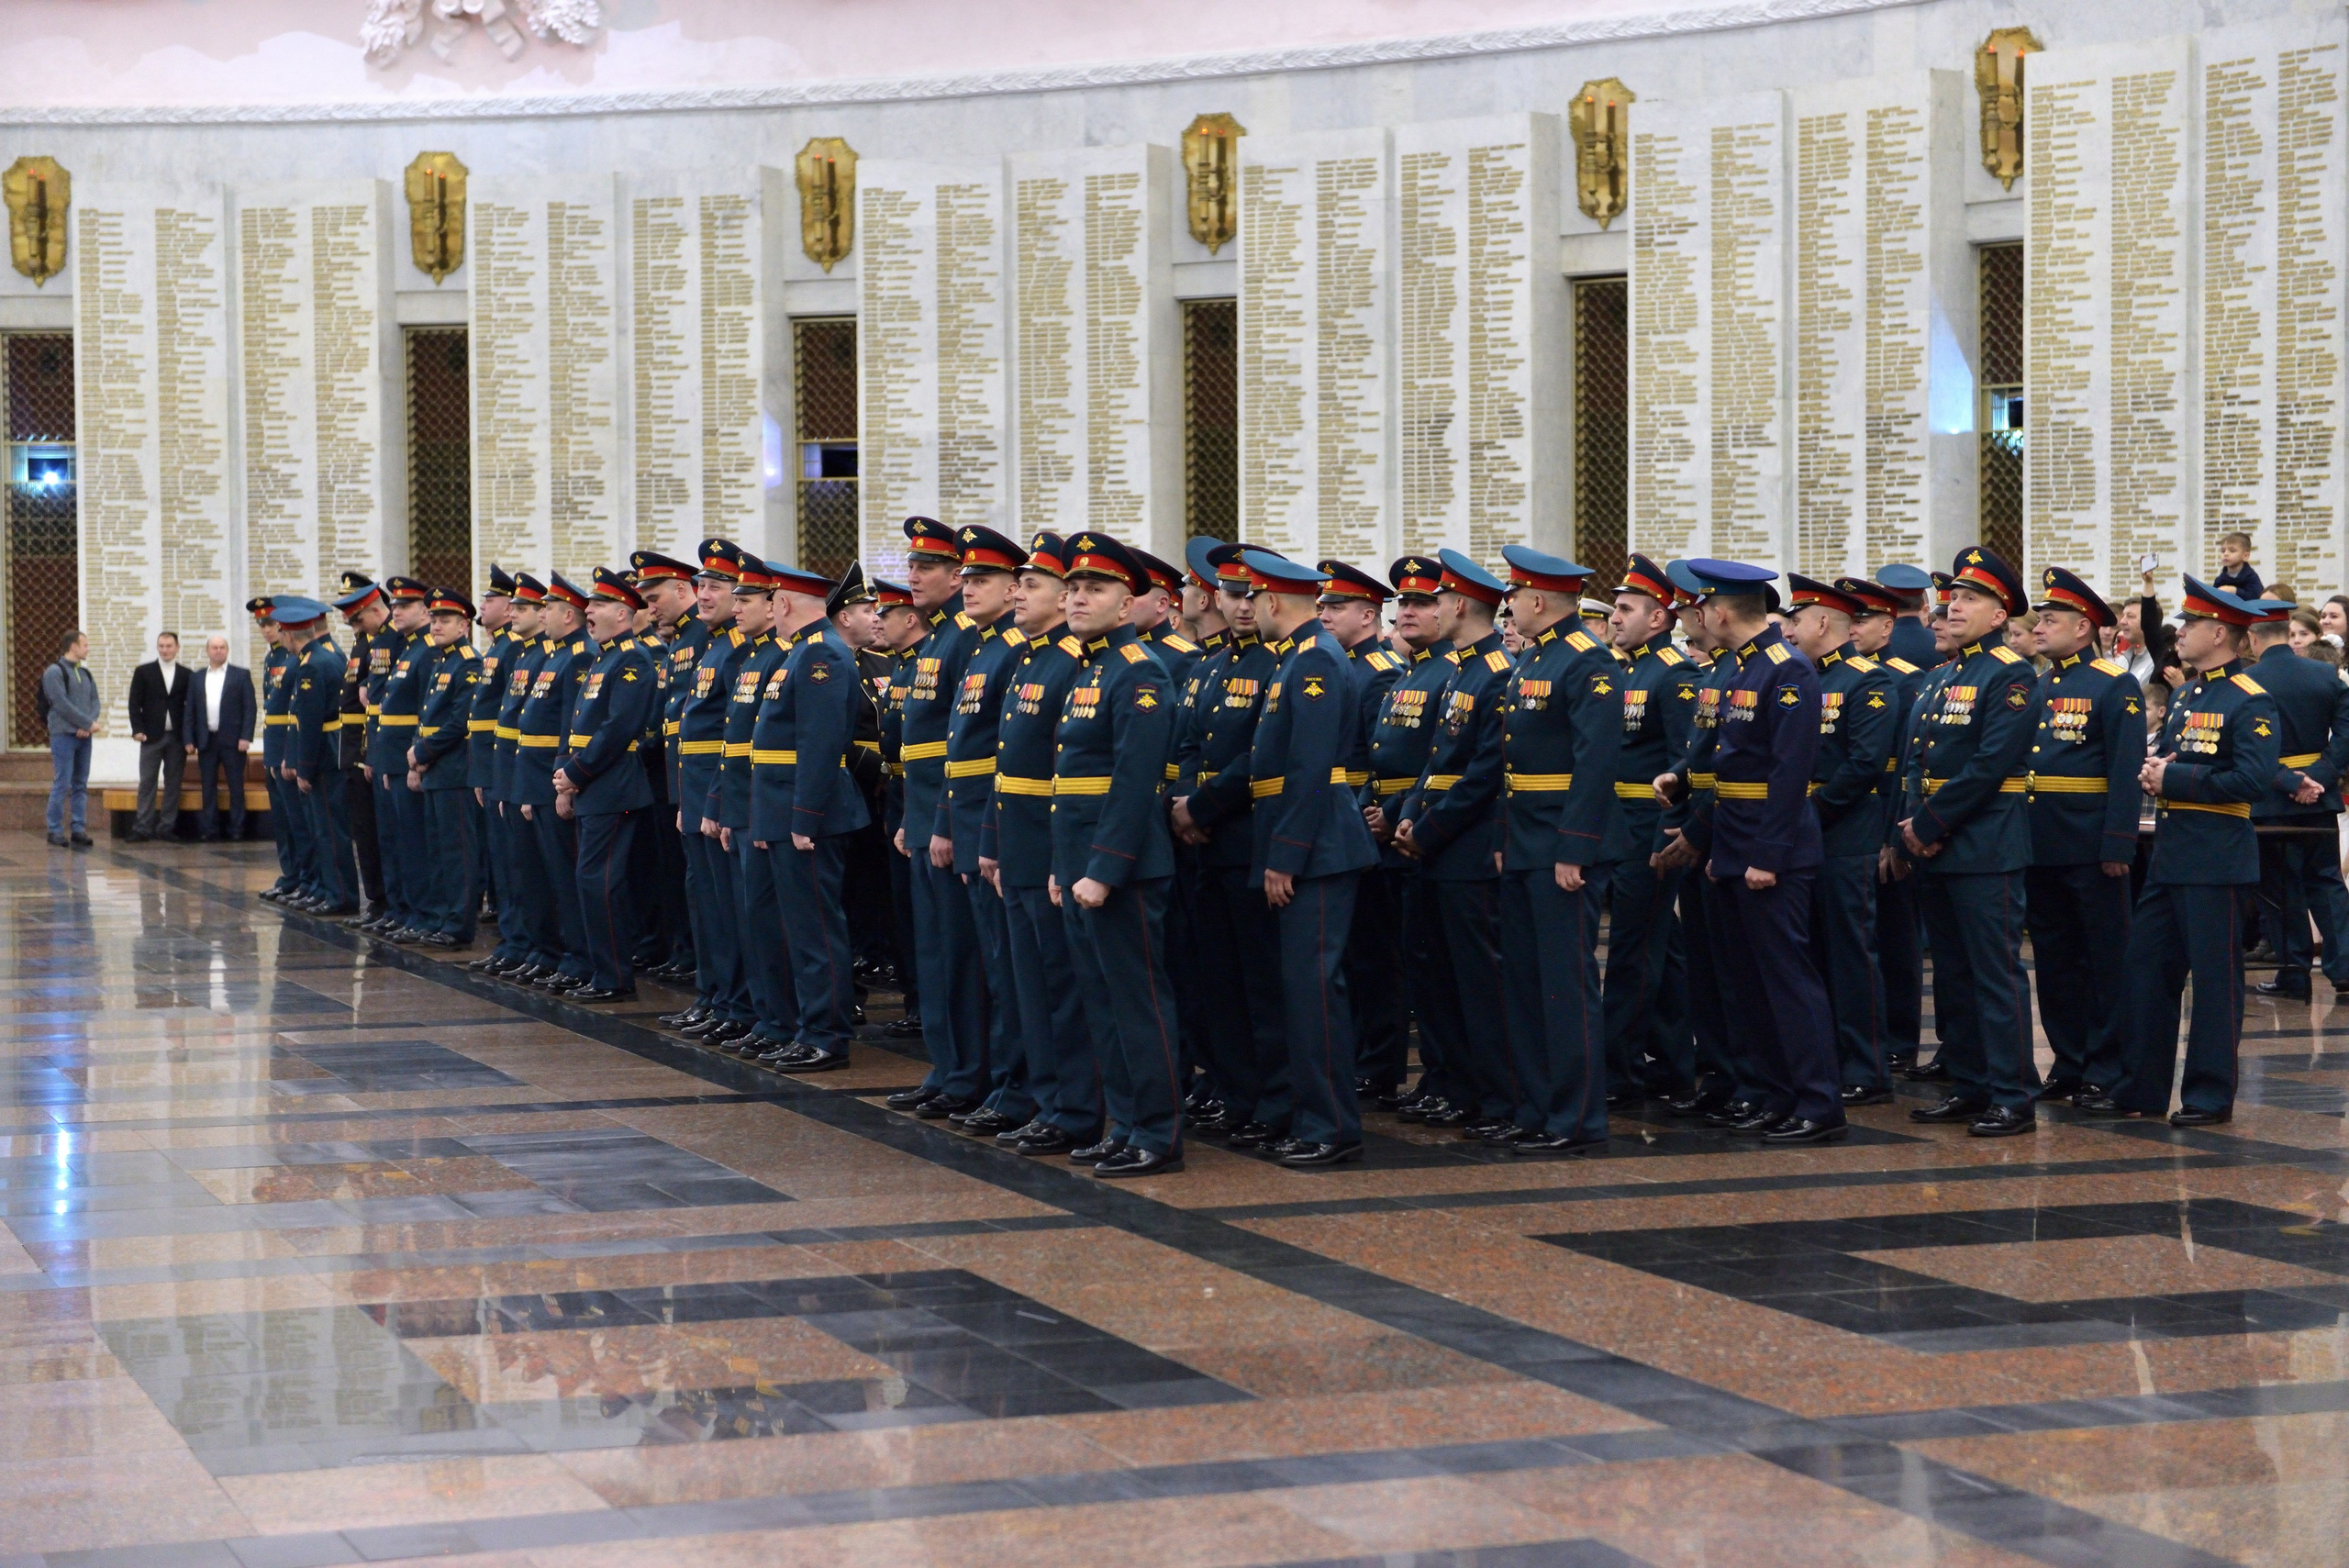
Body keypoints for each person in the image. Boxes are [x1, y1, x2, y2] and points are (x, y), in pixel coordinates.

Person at [2087, 578, 2278, 1126]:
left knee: (2216, 984)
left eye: (2190, 625)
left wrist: (2176, 776)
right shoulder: (2189, 693)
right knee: (2146, 973)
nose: (2182, 633)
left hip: (2217, 858)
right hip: (2171, 854)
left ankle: (2208, 1094)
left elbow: (2253, 778)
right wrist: (2157, 772)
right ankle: (2140, 1087)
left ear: (2219, 633)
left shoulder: (2251, 699)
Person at [1240, 548, 1380, 1168]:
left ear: (1273, 601)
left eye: (1252, 598)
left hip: (1317, 850)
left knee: (1315, 990)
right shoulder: (1300, 659)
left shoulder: (1315, 660)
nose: (1244, 609)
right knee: (1299, 990)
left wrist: (1286, 856)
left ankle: (1331, 1125)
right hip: (1305, 844)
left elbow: (1310, 768)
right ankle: (1309, 1115)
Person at [1050, 533, 1185, 1178]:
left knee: (1137, 1002)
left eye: (1095, 588)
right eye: (1072, 588)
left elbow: (1133, 784)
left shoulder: (1140, 670)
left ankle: (1157, 1132)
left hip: (1121, 866)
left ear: (1128, 602)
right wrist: (1063, 865)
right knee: (1102, 1002)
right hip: (1081, 861)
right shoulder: (1092, 665)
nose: (1078, 597)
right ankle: (1123, 1123)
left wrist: (1101, 870)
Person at [1899, 547, 2041, 1137]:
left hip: (1983, 843)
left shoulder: (2009, 672)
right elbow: (1916, 760)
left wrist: (1927, 826)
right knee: (1953, 974)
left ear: (2000, 612)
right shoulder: (1946, 675)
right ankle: (1969, 1081)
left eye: (1970, 599)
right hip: (1935, 842)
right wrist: (1907, 829)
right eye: (1953, 598)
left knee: (1993, 973)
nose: (1954, 607)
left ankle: (2013, 1092)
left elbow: (1989, 765)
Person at [1496, 546, 1625, 1154]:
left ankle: (1576, 1117)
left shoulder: (1587, 660)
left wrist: (1575, 847)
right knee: (1524, 982)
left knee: (1565, 985)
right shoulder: (1535, 658)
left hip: (1564, 847)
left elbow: (1594, 761)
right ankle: (1536, 1106)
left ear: (1539, 600)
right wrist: (1505, 840)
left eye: (1515, 596)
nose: (1509, 605)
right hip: (1525, 841)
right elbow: (1515, 761)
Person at [1391, 550, 1512, 1135]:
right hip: (1436, 841)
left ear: (1458, 604)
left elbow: (1486, 773)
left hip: (1467, 845)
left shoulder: (1495, 671)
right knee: (1435, 976)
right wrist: (1412, 814)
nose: (1425, 609)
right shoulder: (1463, 669)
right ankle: (1449, 1081)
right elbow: (1434, 762)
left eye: (1434, 598)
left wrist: (1429, 829)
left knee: (1478, 982)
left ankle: (1491, 1092)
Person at [1168, 542, 1285, 1144]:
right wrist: (1185, 804)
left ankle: (1272, 1098)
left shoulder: (1277, 665)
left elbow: (1258, 756)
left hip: (1248, 836)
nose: (1240, 605)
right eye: (1231, 594)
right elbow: (1190, 744)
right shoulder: (1209, 667)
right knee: (1218, 981)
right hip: (1204, 841)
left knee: (1260, 981)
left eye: (1249, 595)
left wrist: (1202, 806)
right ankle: (1239, 1093)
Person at [2018, 567, 2148, 1104]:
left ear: (2083, 628)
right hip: (2038, 841)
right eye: (2040, 618)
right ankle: (2068, 1062)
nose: (2040, 627)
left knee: (2103, 959)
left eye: (2052, 619)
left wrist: (2118, 842)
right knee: (2054, 959)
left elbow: (2125, 768)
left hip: (2091, 842)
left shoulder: (2113, 684)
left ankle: (2106, 1065)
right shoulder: (2038, 682)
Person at [986, 533, 1097, 1152]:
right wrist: (994, 842)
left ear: (1062, 597)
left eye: (1029, 584)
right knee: (1031, 986)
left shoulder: (1073, 661)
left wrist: (1057, 858)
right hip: (1020, 846)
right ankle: (1048, 1098)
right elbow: (1004, 763)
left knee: (1062, 990)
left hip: (1050, 848)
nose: (1015, 593)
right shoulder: (1030, 658)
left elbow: (1065, 776)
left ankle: (1075, 1107)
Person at [888, 517, 993, 1118]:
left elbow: (965, 746)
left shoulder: (968, 641)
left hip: (951, 820)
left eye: (926, 568)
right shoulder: (938, 641)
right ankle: (948, 1065)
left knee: (960, 958)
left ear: (956, 578)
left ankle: (969, 1073)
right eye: (913, 566)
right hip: (926, 813)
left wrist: (946, 819)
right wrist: (915, 815)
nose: (913, 577)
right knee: (934, 953)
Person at [932, 526, 1034, 1130]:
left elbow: (1006, 753)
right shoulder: (980, 646)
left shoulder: (1014, 648)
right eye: (965, 578)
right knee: (987, 967)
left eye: (983, 580)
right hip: (972, 819)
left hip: (997, 823)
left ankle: (1014, 1087)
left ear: (1013, 586)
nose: (969, 588)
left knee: (1007, 971)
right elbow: (958, 746)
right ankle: (998, 1083)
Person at [1785, 575, 1898, 1106]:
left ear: (1824, 623)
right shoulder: (1803, 676)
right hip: (1802, 831)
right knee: (1809, 953)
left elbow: (1862, 766)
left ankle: (1866, 1067)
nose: (1789, 629)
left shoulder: (1867, 682)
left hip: (1842, 833)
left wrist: (1808, 812)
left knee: (1850, 955)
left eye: (1797, 619)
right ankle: (1823, 1059)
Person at [751, 561, 868, 1068]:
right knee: (798, 929)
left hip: (809, 816)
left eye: (772, 600)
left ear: (782, 603)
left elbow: (819, 745)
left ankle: (827, 1034)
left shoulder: (820, 654)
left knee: (817, 930)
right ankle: (809, 1025)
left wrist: (802, 818)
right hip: (782, 811)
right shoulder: (801, 652)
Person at [1362, 556, 1462, 1115]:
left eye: (1423, 602)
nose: (1410, 612)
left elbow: (1439, 760)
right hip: (1392, 826)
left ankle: (1447, 1081)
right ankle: (1431, 1081)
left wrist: (1399, 813)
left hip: (1422, 829)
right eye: (1405, 603)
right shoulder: (1411, 669)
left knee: (1431, 969)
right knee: (1407, 963)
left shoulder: (1450, 671)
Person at [1601, 553, 1698, 1102]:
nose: (1614, 618)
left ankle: (1618, 1072)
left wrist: (1675, 833)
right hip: (1619, 826)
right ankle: (1672, 1068)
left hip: (1649, 829)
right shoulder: (1624, 668)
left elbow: (1686, 760)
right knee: (1663, 950)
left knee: (1633, 952)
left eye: (1624, 609)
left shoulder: (1674, 673)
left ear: (1657, 619)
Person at [1317, 559, 1408, 1104]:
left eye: (1335, 606)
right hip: (1342, 815)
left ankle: (1380, 1063)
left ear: (1369, 614)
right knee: (1352, 954)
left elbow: (1376, 757)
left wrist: (1370, 810)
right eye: (1322, 604)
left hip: (1359, 821)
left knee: (1376, 955)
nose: (1324, 613)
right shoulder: (1339, 663)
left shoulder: (1377, 671)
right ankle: (1358, 1054)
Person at [552, 568, 659, 1001]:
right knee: (589, 879)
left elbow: (619, 729)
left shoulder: (632, 659)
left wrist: (575, 775)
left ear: (622, 613)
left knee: (601, 881)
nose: (587, 612)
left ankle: (614, 976)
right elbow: (577, 725)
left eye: (595, 606)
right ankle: (602, 971)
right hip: (590, 786)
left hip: (612, 787)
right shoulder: (604, 657)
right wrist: (565, 778)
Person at [666, 540, 756, 1043]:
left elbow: (730, 733)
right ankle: (715, 995)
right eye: (701, 585)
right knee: (705, 902)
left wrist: (714, 802)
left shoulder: (737, 649)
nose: (703, 594)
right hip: (697, 792)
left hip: (718, 795)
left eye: (716, 587)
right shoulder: (712, 645)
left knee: (727, 906)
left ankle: (735, 1002)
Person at [706, 558, 793, 1055]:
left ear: (773, 603)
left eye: (745, 600)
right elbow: (732, 740)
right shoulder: (752, 658)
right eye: (734, 600)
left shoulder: (781, 657)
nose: (736, 608)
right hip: (742, 802)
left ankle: (781, 1018)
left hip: (765, 805)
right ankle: (763, 1014)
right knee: (748, 918)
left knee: (773, 921)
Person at [2243, 597, 2349, 1004]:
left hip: (2270, 799)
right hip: (2319, 800)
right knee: (2326, 883)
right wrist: (2318, 778)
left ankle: (2294, 971)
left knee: (2279, 888)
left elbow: (2249, 747)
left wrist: (2289, 781)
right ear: (2289, 633)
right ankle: (2344, 969)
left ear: (2253, 637)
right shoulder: (2326, 674)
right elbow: (2344, 735)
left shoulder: (2247, 681)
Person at [512, 574, 597, 988]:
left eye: (548, 608)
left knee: (566, 877)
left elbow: (569, 727)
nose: (541, 613)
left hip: (555, 779)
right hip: (537, 779)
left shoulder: (579, 655)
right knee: (545, 876)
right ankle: (556, 953)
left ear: (568, 615)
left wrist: (560, 784)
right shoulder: (555, 653)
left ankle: (579, 957)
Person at [471, 575, 548, 978]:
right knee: (508, 867)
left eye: (523, 607)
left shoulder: (526, 653)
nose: (513, 613)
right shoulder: (516, 652)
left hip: (522, 774)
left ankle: (529, 944)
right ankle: (515, 941)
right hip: (502, 770)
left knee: (522, 868)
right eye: (512, 606)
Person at [405, 588, 484, 949]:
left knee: (459, 853)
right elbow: (428, 717)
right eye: (433, 619)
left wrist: (423, 751)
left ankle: (459, 924)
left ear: (464, 625)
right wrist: (419, 759)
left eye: (445, 620)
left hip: (455, 770)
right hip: (435, 769)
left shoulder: (468, 662)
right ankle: (440, 917)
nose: (436, 625)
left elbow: (459, 722)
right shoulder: (442, 661)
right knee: (438, 850)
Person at [365, 579, 434, 939]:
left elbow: (425, 712)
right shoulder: (406, 649)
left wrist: (414, 760)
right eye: (395, 606)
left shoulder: (426, 650)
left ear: (425, 611)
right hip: (389, 756)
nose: (397, 611)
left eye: (405, 606)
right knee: (393, 840)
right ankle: (400, 908)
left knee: (412, 842)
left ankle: (419, 912)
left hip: (406, 758)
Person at [280, 597, 356, 915]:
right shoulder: (328, 656)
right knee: (326, 829)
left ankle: (340, 895)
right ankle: (330, 890)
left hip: (324, 757)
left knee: (328, 831)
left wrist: (304, 769)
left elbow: (310, 723)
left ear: (290, 635)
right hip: (331, 753)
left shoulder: (312, 664)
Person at [334, 573, 393, 922]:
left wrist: (368, 751)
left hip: (370, 747)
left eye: (355, 614)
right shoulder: (362, 644)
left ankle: (385, 901)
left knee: (376, 833)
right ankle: (377, 900)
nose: (351, 620)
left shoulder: (380, 643)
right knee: (365, 833)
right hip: (356, 745)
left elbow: (374, 702)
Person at [182, 632, 255, 841]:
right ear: (207, 651)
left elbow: (249, 709)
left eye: (222, 647)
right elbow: (190, 711)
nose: (218, 651)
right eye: (214, 648)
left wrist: (245, 737)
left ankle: (237, 829)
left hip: (233, 741)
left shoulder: (240, 675)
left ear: (227, 650)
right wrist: (189, 739)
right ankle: (210, 829)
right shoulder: (197, 677)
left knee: (235, 787)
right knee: (208, 787)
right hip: (206, 740)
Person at [127, 631, 191, 840]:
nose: (165, 650)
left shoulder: (186, 674)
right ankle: (142, 827)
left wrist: (189, 737)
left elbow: (190, 708)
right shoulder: (144, 672)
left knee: (173, 783)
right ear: (157, 647)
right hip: (151, 737)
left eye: (169, 646)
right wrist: (137, 730)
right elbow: (134, 703)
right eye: (161, 646)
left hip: (176, 737)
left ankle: (167, 827)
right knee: (147, 782)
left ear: (177, 647)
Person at [40, 629, 98, 849]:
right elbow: (61, 704)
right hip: (63, 735)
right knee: (62, 782)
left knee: (80, 783)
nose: (88, 648)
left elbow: (95, 702)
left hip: (84, 736)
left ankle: (78, 828)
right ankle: (54, 829)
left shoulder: (85, 673)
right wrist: (85, 723)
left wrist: (88, 724)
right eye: (85, 644)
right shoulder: (54, 672)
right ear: (73, 646)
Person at [2214, 530, 2264, 601]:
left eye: (2232, 550)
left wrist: (2235, 591)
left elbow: (2256, 597)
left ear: (2245, 556)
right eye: (2223, 551)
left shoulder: (2251, 577)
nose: (2225, 554)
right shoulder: (2220, 580)